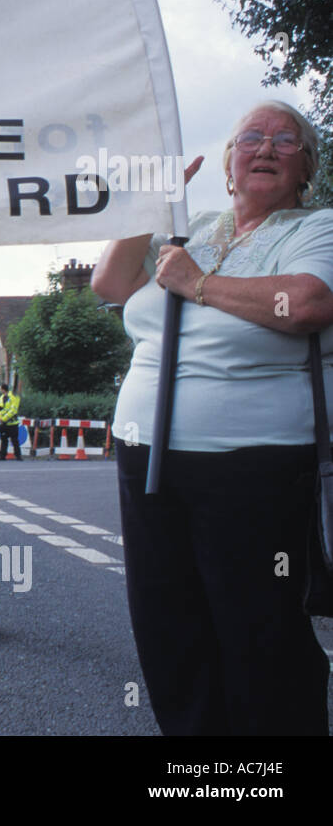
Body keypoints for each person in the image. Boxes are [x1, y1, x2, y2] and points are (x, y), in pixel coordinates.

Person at [92, 101, 332, 735]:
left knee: (259, 632)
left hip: (255, 462)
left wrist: (198, 283)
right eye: (250, 137)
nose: (267, 147)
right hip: (147, 455)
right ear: (227, 166)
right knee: (169, 627)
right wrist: (151, 207)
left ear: (306, 166)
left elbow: (307, 303)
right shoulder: (192, 226)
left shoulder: (316, 228)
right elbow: (111, 285)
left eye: (287, 140)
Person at [0, 383, 22, 460]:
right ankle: (2, 456)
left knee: (14, 440)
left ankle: (18, 456)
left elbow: (13, 410)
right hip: (4, 423)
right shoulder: (1, 397)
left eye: (0, 388)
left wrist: (3, 419)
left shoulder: (13, 397)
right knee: (3, 440)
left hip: (12, 423)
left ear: (3, 389)